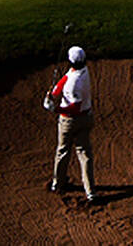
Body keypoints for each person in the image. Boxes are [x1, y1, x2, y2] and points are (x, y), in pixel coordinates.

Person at [45, 46, 97, 202]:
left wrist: (54, 108)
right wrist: (54, 91)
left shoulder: (74, 84)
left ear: (70, 61)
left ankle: (57, 184)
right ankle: (90, 192)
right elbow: (66, 77)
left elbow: (74, 107)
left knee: (63, 151)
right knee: (85, 155)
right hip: (86, 118)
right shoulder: (83, 71)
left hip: (70, 120)